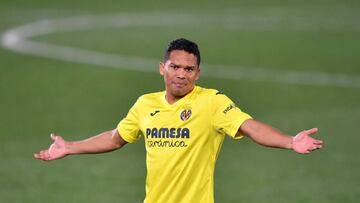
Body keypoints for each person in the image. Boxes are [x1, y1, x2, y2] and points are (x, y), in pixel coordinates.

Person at [34, 38, 323, 203]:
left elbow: (251, 127)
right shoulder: (145, 104)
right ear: (162, 68)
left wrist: (289, 141)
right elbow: (116, 137)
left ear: (198, 74)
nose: (181, 74)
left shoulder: (211, 102)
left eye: (189, 68)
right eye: (175, 67)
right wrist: (70, 146)